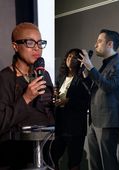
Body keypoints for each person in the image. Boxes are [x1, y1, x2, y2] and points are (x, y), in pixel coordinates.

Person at [0, 22, 54, 169]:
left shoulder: (44, 75)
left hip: (44, 155)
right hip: (14, 159)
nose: (37, 47)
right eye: (30, 42)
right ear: (15, 46)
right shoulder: (4, 78)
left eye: (40, 43)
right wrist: (26, 98)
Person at [79, 29, 119, 170]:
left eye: (99, 41)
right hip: (94, 120)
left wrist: (91, 67)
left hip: (107, 121)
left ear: (110, 44)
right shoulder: (104, 64)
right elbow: (95, 90)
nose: (95, 45)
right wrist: (86, 76)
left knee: (108, 163)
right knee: (94, 163)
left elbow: (109, 87)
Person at [51, 48, 91, 170]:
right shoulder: (61, 77)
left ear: (79, 60)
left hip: (75, 126)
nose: (70, 59)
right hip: (60, 123)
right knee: (53, 156)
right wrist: (55, 98)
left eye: (74, 57)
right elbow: (57, 95)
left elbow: (87, 101)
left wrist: (68, 101)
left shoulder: (83, 78)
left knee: (74, 161)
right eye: (68, 56)